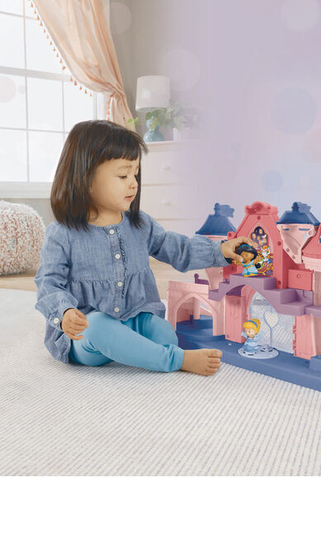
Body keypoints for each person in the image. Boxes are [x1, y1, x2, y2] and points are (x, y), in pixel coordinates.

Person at [34, 119, 253, 376]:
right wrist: (64, 313)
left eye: (135, 174)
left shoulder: (140, 224)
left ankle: (140, 349)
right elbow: (49, 283)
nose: (133, 183)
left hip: (134, 319)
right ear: (86, 179)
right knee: (99, 327)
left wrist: (220, 251)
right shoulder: (62, 233)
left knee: (164, 332)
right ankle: (174, 360)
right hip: (86, 332)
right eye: (123, 175)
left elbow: (178, 249)